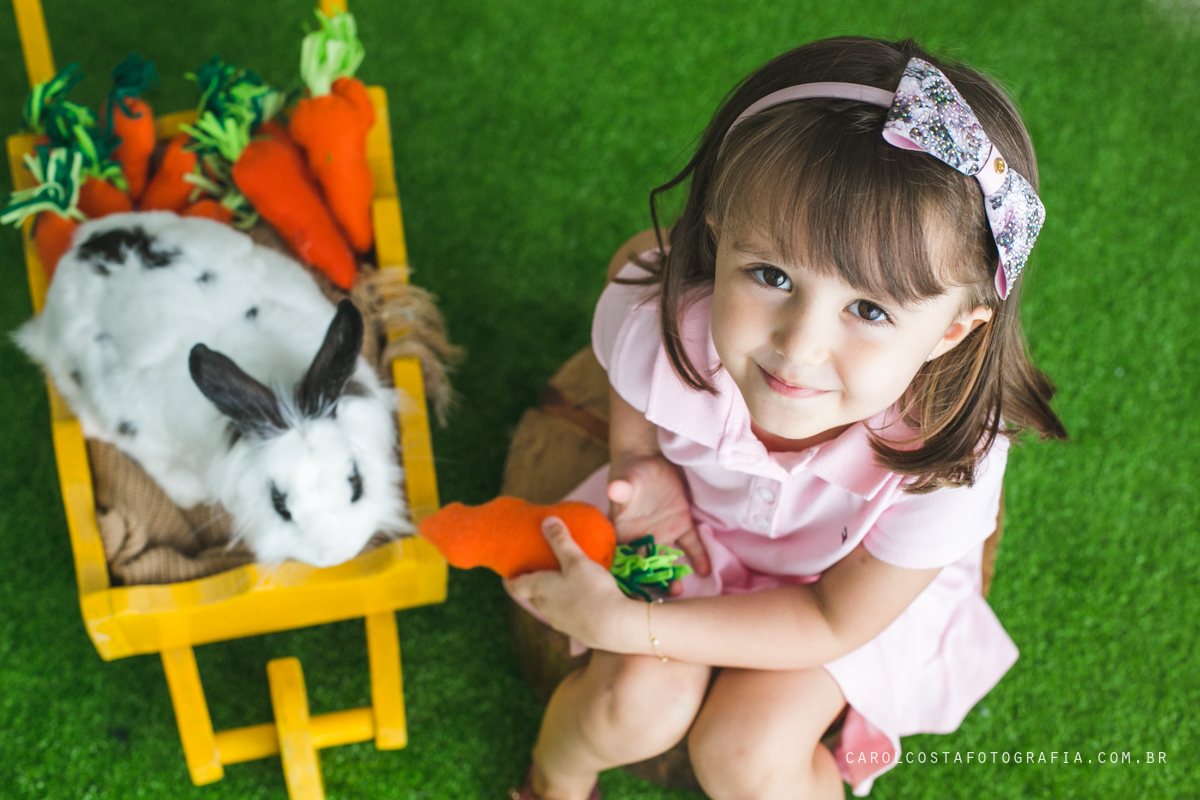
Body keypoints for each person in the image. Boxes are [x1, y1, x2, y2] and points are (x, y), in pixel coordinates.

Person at [506, 36, 1067, 799]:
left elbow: (834, 619)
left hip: (838, 593)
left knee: (747, 753)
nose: (797, 347)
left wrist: (627, 628)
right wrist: (640, 459)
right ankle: (555, 779)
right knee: (631, 704)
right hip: (698, 532)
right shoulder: (672, 325)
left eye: (868, 309)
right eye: (770, 274)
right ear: (717, 239)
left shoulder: (945, 461)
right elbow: (636, 263)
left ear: (949, 332)